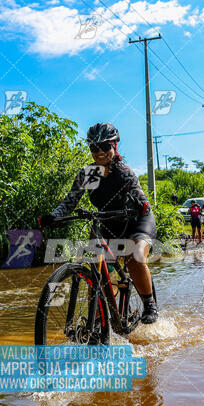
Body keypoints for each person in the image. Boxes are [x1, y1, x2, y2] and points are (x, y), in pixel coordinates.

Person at [38, 122, 158, 324]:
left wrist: (141, 204)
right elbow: (68, 203)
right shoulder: (89, 175)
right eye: (94, 148)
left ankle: (149, 305)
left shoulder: (123, 173)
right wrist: (53, 216)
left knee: (135, 256)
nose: (99, 152)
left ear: (115, 146)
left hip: (137, 221)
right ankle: (99, 318)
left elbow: (140, 196)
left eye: (104, 147)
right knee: (97, 266)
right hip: (108, 222)